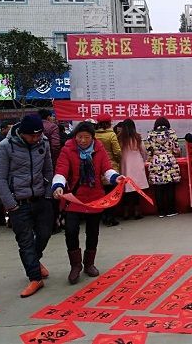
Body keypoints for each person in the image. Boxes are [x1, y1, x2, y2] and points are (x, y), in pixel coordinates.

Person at [51, 121, 122, 284]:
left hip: (94, 198)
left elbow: (106, 168)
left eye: (86, 137)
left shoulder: (99, 149)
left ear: (92, 137)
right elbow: (61, 170)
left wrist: (115, 177)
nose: (82, 140)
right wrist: (58, 185)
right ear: (75, 136)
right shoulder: (68, 149)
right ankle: (75, 265)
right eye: (79, 137)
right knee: (70, 231)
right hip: (74, 199)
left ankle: (89, 264)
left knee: (92, 232)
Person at [0, 115, 53, 298]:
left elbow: (48, 170)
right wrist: (11, 205)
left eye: (38, 135)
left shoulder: (43, 143)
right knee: (25, 241)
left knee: (45, 234)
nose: (35, 139)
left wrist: (48, 194)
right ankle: (35, 278)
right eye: (32, 136)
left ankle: (34, 261)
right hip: (18, 203)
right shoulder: (5, 146)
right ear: (22, 133)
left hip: (41, 198)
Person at [146, 117, 181, 218]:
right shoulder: (172, 134)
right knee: (170, 187)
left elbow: (149, 151)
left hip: (156, 162)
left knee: (158, 188)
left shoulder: (151, 135)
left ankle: (161, 211)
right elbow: (176, 150)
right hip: (169, 161)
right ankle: (171, 210)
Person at [95, 113, 122, 226]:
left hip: (97, 168)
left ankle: (103, 217)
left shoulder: (94, 135)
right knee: (112, 194)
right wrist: (117, 161)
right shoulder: (111, 135)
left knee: (102, 195)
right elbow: (117, 152)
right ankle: (111, 218)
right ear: (109, 123)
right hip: (111, 168)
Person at [118, 118, 148, 220]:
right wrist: (144, 160)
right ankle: (137, 212)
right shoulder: (137, 137)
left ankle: (126, 213)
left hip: (124, 164)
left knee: (125, 190)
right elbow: (143, 151)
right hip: (136, 164)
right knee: (136, 189)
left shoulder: (120, 138)